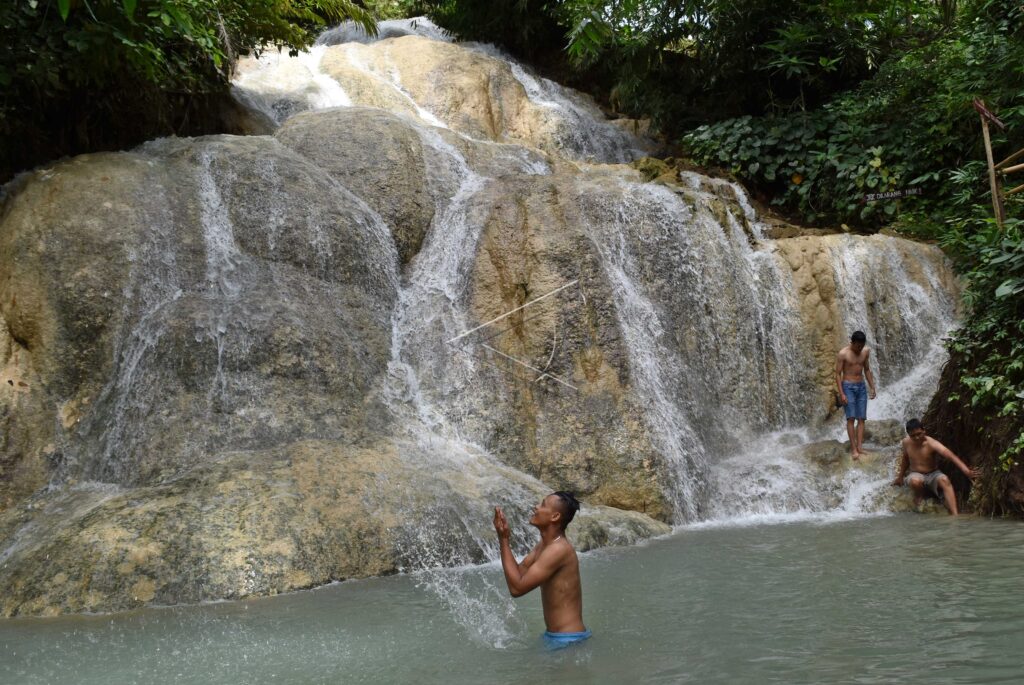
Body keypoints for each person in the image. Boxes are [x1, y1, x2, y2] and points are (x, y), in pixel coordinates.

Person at [493, 491, 590, 649]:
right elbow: (519, 572)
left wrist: (503, 540)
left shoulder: (559, 550)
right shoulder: (545, 546)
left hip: (569, 641)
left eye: (543, 504)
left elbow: (517, 588)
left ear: (555, 517)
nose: (536, 507)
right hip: (555, 637)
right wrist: (504, 538)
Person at [892, 418, 980, 515]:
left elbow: (951, 456)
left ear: (924, 430)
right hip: (915, 473)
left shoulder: (932, 443)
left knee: (945, 480)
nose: (917, 438)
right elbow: (905, 459)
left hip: (933, 473)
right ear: (908, 435)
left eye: (919, 434)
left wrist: (967, 471)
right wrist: (900, 477)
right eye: (913, 436)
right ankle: (919, 495)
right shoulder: (906, 442)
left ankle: (955, 514)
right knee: (915, 481)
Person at [835, 330, 877, 459]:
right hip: (848, 386)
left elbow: (867, 369)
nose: (860, 348)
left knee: (861, 418)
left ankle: (860, 446)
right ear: (852, 342)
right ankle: (853, 449)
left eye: (862, 345)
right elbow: (837, 374)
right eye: (858, 346)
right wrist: (842, 393)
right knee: (851, 418)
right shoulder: (843, 354)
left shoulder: (865, 352)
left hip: (861, 386)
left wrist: (872, 387)